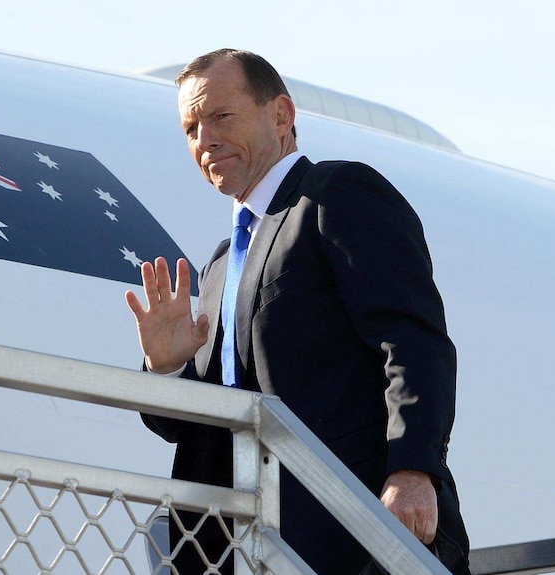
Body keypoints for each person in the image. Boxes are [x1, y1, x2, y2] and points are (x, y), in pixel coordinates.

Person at [124, 48, 470, 575]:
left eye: (220, 116)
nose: (205, 140)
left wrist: (413, 470)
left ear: (281, 115)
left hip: (351, 534)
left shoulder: (336, 195)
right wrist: (168, 369)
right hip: (238, 549)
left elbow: (412, 340)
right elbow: (189, 428)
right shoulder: (221, 264)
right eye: (191, 128)